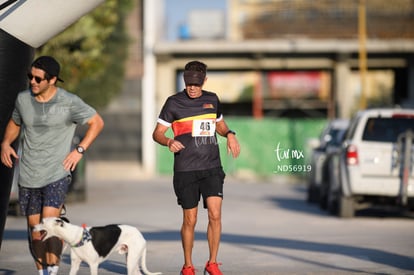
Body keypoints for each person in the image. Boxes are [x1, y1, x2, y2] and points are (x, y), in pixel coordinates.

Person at [0, 56, 104, 275]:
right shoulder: (23, 99)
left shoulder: (69, 102)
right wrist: (5, 143)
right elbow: (14, 122)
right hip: (29, 175)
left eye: (38, 78)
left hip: (57, 173)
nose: (33, 82)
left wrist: (79, 150)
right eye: (30, 77)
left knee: (50, 224)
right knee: (35, 231)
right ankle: (42, 271)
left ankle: (53, 270)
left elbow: (97, 122)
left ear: (53, 79)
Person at [152, 60, 240, 275]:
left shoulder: (212, 100)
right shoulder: (173, 103)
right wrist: (168, 141)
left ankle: (212, 263)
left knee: (215, 214)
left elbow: (219, 124)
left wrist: (229, 134)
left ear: (204, 81)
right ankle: (188, 266)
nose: (192, 87)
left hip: (211, 167)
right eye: (189, 83)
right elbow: (157, 133)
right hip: (186, 170)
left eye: (197, 84)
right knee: (190, 219)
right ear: (184, 80)